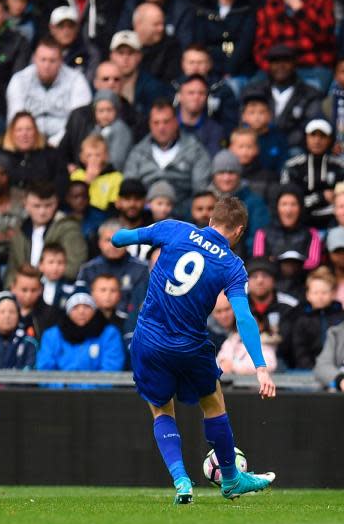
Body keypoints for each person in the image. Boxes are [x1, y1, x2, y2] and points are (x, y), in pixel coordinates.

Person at [110, 196, 277, 504]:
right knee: (213, 403)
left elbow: (119, 238)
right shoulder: (233, 266)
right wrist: (261, 366)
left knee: (161, 409)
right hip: (190, 346)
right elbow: (243, 317)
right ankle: (230, 479)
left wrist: (124, 237)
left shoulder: (174, 229)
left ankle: (181, 481)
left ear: (211, 220)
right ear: (239, 230)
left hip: (149, 340)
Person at [252, 0, 336, 91]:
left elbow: (323, 37)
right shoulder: (269, 4)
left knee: (309, 98)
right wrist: (273, 67)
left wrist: (297, 6)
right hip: (277, 68)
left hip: (312, 66)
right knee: (251, 92)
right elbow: (260, 46)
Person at [123, 101, 211, 220]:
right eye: (156, 122)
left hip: (184, 217)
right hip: (144, 218)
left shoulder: (195, 150)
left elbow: (200, 190)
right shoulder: (137, 152)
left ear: (176, 122)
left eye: (166, 122)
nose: (161, 127)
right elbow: (130, 187)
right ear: (150, 124)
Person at [5, 37, 92, 146]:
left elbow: (78, 123)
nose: (47, 66)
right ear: (34, 59)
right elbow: (15, 120)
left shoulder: (77, 80)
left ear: (61, 61)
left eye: (52, 60)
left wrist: (54, 144)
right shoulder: (19, 80)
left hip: (65, 145)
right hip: (29, 144)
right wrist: (38, 144)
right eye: (43, 59)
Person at [5, 181, 87, 283]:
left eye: (48, 205)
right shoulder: (19, 232)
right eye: (37, 206)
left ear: (56, 203)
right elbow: (11, 273)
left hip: (59, 290)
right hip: (24, 292)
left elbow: (75, 268)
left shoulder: (69, 228)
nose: (42, 212)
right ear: (25, 204)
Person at [36, 291, 125, 376]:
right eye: (75, 307)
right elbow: (45, 371)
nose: (81, 311)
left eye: (87, 306)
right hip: (59, 391)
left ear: (94, 310)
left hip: (98, 391)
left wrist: (86, 389)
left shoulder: (109, 334)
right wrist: (65, 387)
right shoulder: (52, 335)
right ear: (68, 311)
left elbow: (111, 370)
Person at [281, 119, 343, 229]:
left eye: (322, 136)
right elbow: (289, 202)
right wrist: (320, 197)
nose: (317, 140)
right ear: (305, 137)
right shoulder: (292, 167)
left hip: (334, 225)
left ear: (330, 139)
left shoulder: (339, 166)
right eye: (313, 135)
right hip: (300, 225)